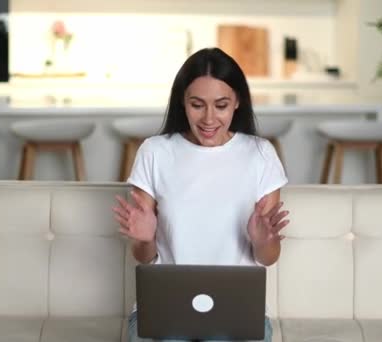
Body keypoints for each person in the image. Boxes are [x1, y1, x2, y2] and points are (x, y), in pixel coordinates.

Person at [112, 47, 290, 342]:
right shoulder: (155, 152)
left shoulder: (261, 155)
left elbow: (268, 259)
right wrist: (145, 240)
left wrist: (264, 242)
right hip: (164, 308)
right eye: (197, 105)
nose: (209, 119)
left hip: (237, 312)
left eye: (221, 105)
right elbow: (144, 260)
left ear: (238, 103)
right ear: (182, 103)